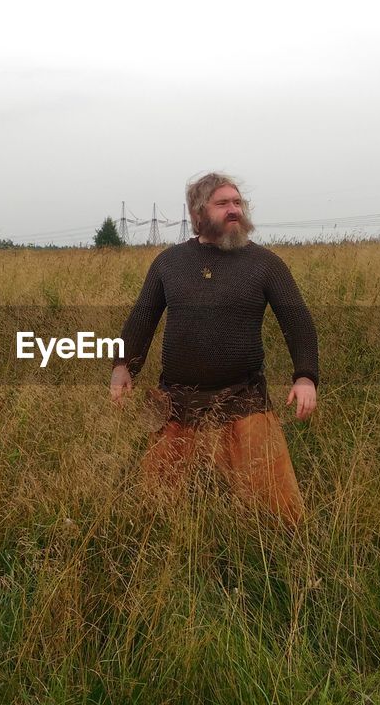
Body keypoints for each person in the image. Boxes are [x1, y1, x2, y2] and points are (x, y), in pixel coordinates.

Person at [109, 172, 319, 526]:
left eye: (237, 203)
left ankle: (276, 553)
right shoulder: (169, 263)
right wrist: (123, 366)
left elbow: (297, 321)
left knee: (279, 512)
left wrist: (305, 377)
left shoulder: (266, 264)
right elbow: (142, 318)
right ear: (197, 212)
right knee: (156, 510)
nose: (234, 210)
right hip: (176, 400)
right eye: (223, 203)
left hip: (243, 398)